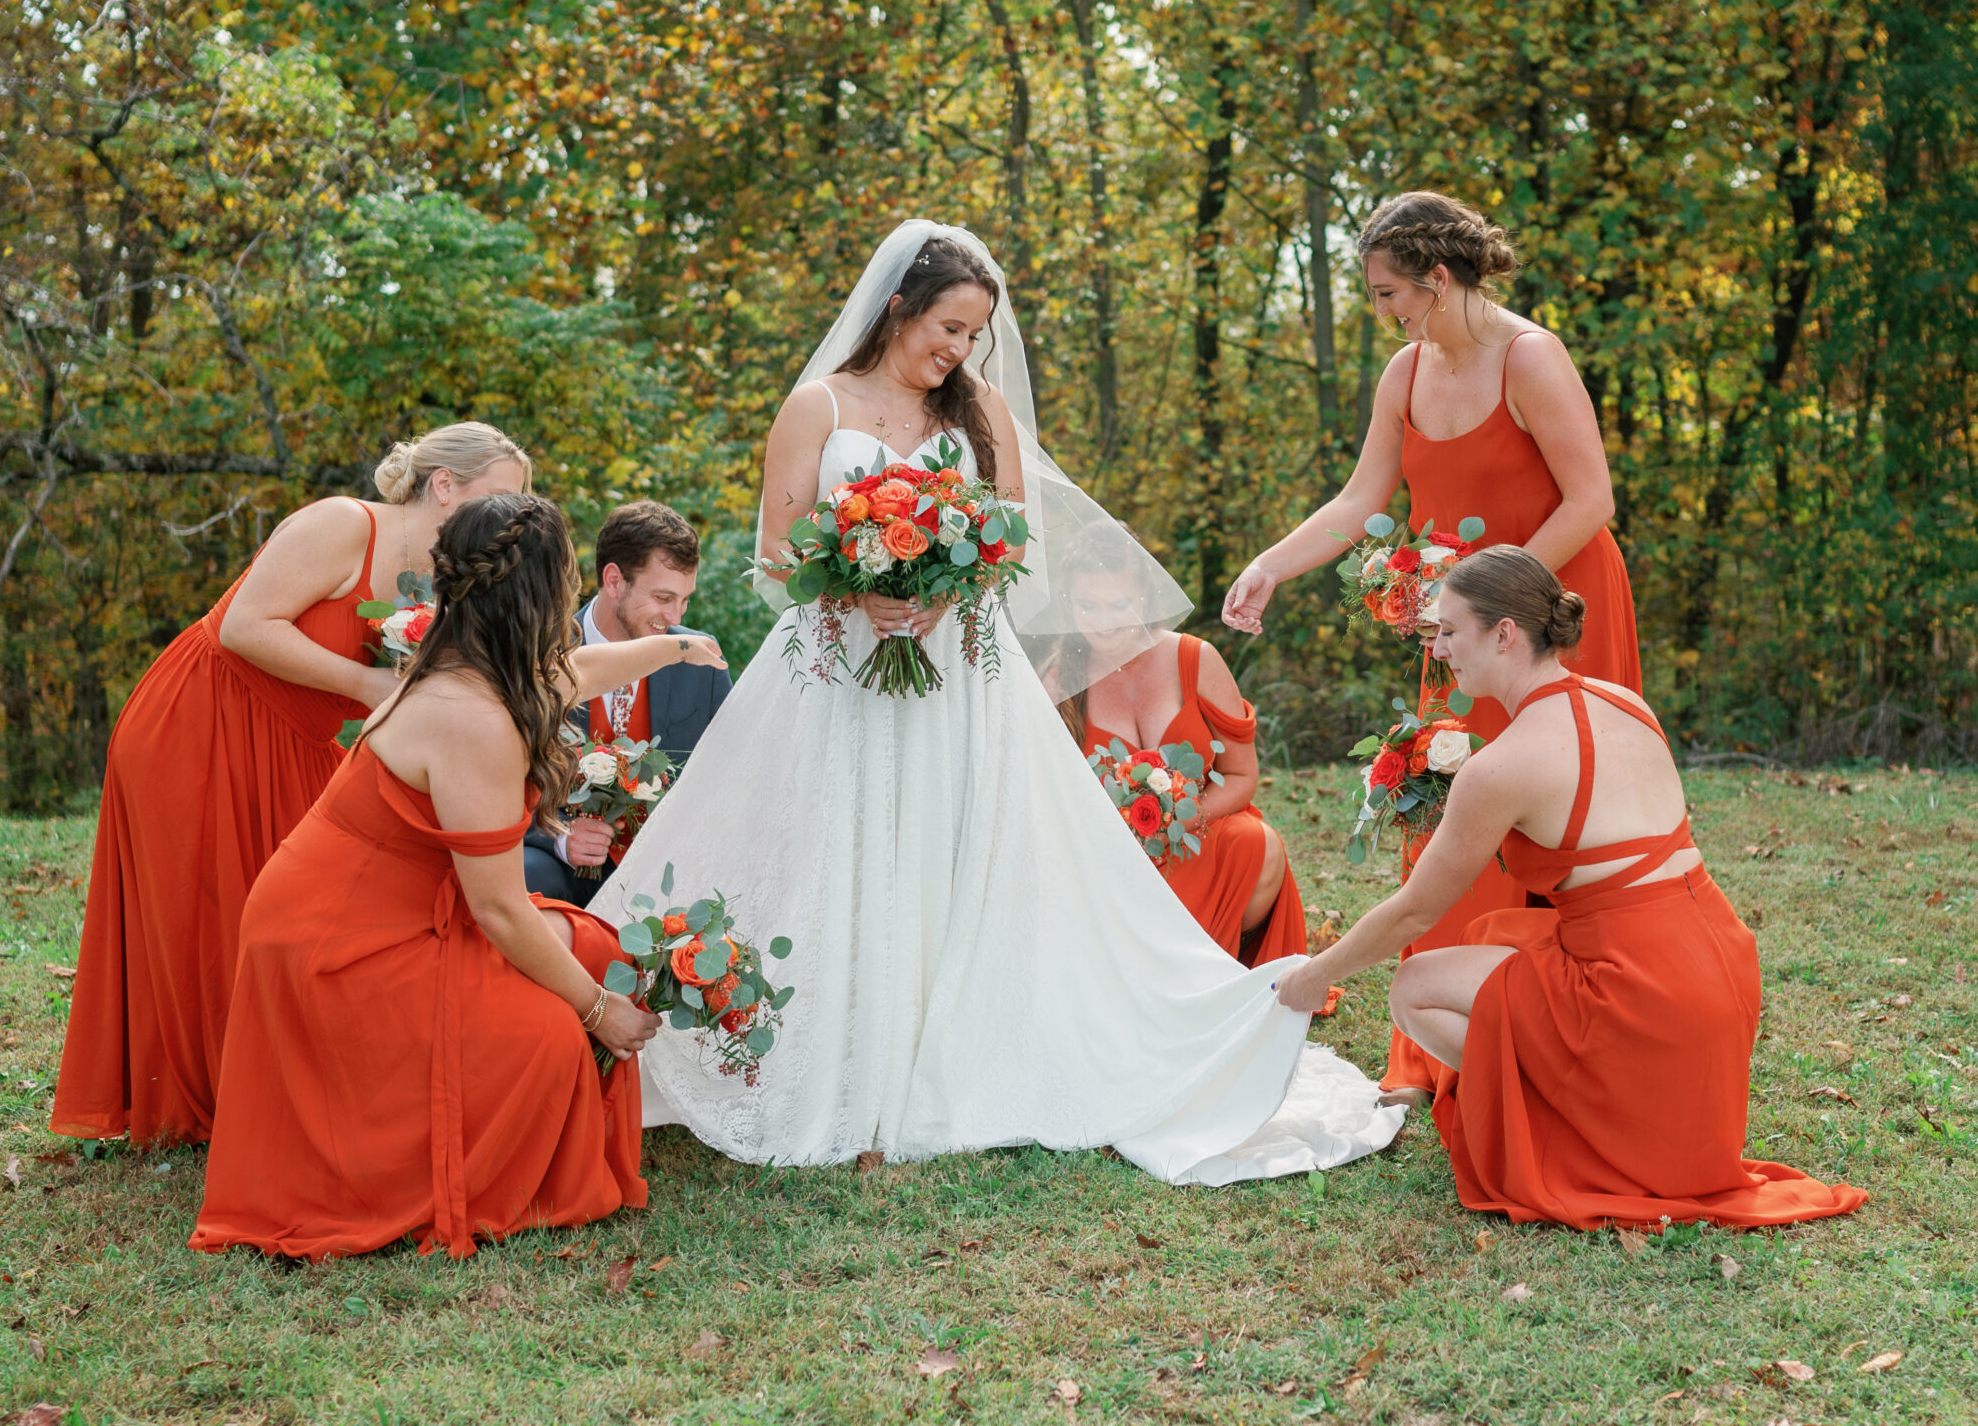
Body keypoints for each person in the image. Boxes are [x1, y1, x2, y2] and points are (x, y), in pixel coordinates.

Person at [588, 221, 1403, 1185]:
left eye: (973, 333)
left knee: (958, 845)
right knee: (835, 847)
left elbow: (1010, 538)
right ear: (897, 307)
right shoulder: (818, 405)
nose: (958, 350)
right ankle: (828, 1058)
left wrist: (939, 592)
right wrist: (856, 589)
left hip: (959, 673)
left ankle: (961, 1052)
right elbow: (774, 551)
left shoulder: (977, 413)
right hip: (833, 671)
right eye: (947, 326)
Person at [191, 493, 727, 1259]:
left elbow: (579, 669)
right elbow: (504, 911)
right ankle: (465, 1180)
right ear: (538, 596)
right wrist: (599, 1009)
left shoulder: (484, 663)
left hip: (407, 912)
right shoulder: (467, 714)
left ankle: (543, 1143)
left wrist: (677, 648)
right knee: (550, 1032)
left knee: (598, 947)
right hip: (340, 946)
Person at [1273, 547, 1866, 1230]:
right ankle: (1613, 1101)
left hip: (1643, 992)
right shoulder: (1627, 701)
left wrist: (1317, 974)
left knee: (1414, 990)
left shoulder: (1503, 766)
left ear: (1503, 633)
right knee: (1497, 934)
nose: (1437, 648)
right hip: (1722, 967)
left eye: (1450, 630)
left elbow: (1417, 909)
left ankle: (1580, 1124)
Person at [1221, 192, 1644, 1099]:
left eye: (1387, 295)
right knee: (1446, 796)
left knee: (1564, 811)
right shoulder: (1406, 375)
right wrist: (1272, 565)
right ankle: (1434, 1047)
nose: (1383, 315)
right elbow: (1357, 499)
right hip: (1464, 632)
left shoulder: (1530, 357)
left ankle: (1587, 1028)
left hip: (1557, 607)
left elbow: (1591, 501)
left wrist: (1492, 594)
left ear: (1438, 279)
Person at [51, 421, 531, 1147]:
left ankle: (264, 1091)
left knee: (284, 917)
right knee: (207, 912)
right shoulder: (342, 524)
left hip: (296, 745)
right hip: (203, 721)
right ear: (444, 487)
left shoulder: (445, 577)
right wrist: (369, 682)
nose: (510, 520)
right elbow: (244, 625)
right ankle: (209, 1100)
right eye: (499, 498)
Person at [1058, 550, 1306, 965]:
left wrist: (1171, 825)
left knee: (1254, 842)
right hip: (1108, 858)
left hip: (1194, 836)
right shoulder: (1059, 679)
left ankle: (1217, 969)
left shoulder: (1194, 658)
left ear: (1143, 597)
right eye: (1087, 605)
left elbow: (1242, 775)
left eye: (1118, 604)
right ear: (1068, 603)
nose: (1103, 622)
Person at [522, 502, 732, 906]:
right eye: (663, 597)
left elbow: (731, 776)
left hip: (672, 876)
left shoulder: (701, 660)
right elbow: (494, 784)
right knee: (526, 873)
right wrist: (562, 839)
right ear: (614, 580)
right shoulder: (540, 653)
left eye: (684, 600)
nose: (673, 617)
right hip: (565, 872)